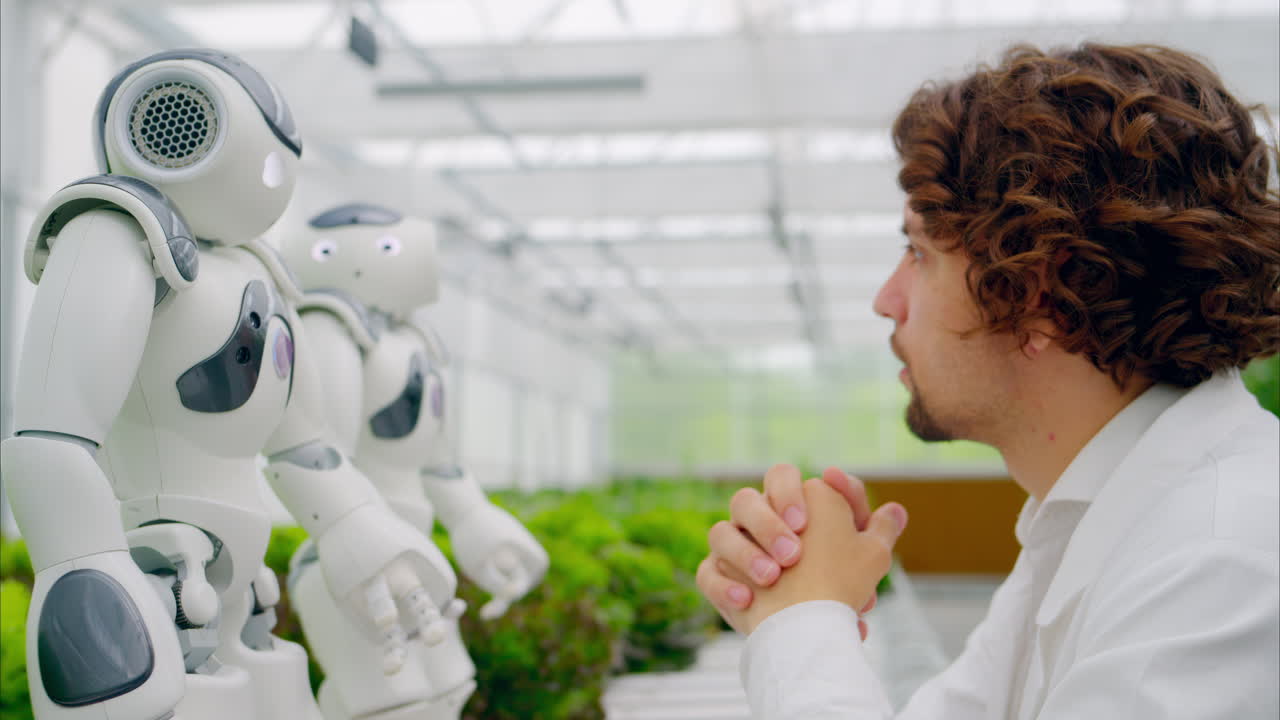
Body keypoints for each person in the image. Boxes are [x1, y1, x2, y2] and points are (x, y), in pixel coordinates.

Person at [696, 42, 1279, 719]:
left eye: (920, 253)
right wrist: (805, 597)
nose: (887, 300)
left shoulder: (1221, 559)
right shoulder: (1091, 515)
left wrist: (802, 621)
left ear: (1041, 298)